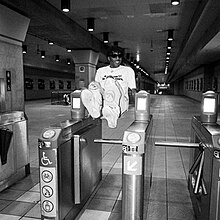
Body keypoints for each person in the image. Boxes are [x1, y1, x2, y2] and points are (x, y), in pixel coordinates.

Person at [81, 46, 136, 128]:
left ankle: (112, 111)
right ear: (109, 58)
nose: (118, 58)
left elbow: (133, 90)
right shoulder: (100, 71)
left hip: (119, 102)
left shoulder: (128, 71)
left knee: (110, 81)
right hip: (104, 100)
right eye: (114, 56)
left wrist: (140, 102)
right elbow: (97, 88)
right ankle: (95, 109)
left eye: (120, 56)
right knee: (93, 85)